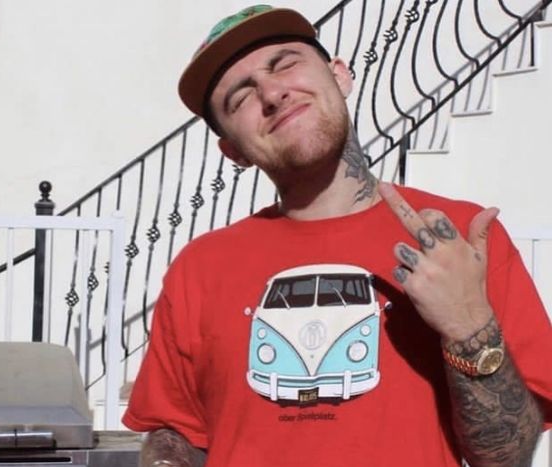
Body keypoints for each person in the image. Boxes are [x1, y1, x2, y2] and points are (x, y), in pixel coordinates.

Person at [122, 5, 552, 466]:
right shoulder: (200, 268)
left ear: (340, 74)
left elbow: (509, 456)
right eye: (240, 97)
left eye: (285, 63)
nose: (272, 93)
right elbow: (177, 432)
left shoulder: (459, 236)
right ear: (233, 151)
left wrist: (469, 326)